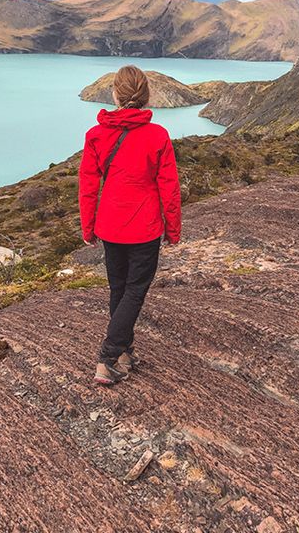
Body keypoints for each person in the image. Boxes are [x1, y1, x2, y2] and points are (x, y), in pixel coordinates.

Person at [78, 65, 182, 386]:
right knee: (134, 291)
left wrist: (88, 226)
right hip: (145, 228)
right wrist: (173, 228)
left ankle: (123, 351)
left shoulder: (96, 135)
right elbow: (170, 187)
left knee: (119, 289)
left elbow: (87, 184)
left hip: (110, 226)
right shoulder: (158, 136)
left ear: (115, 95)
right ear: (146, 95)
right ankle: (108, 358)